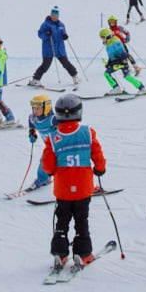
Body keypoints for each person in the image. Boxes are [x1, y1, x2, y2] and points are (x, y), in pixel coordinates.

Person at [40, 93, 107, 276]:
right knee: (81, 219)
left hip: (62, 189)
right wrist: (100, 169)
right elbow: (97, 155)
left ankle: (60, 253)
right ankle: (83, 252)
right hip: (83, 187)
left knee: (62, 220)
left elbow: (47, 164)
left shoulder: (53, 138)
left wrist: (53, 172)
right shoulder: (87, 133)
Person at [30, 7, 80, 86]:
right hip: (49, 49)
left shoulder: (61, 25)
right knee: (45, 65)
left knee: (66, 64)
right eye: (53, 15)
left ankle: (75, 76)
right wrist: (47, 34)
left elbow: (64, 33)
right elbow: (40, 35)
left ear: (58, 16)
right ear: (50, 15)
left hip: (60, 49)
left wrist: (65, 36)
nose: (54, 17)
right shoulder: (45, 24)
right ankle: (35, 79)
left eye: (56, 15)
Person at [22, 93, 56, 195]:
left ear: (46, 108)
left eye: (39, 108)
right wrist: (32, 133)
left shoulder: (53, 119)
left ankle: (76, 184)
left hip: (61, 147)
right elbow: (31, 125)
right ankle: (43, 179)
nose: (35, 111)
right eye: (34, 108)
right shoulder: (33, 118)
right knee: (44, 161)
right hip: (50, 147)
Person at [98, 27, 145, 93]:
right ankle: (116, 88)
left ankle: (142, 88)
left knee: (127, 76)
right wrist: (109, 64)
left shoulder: (115, 41)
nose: (102, 39)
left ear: (107, 36)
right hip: (115, 63)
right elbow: (111, 56)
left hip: (121, 62)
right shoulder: (107, 44)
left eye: (103, 37)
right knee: (107, 74)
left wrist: (124, 63)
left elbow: (124, 53)